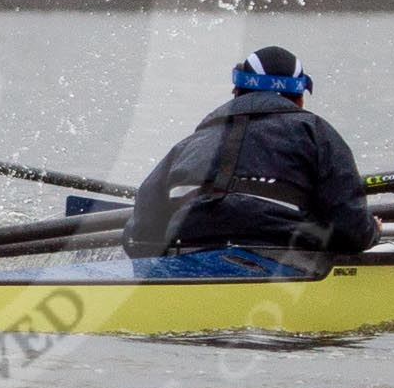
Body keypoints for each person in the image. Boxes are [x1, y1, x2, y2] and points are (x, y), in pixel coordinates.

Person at [126, 47, 377, 259]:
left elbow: (139, 238)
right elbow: (350, 232)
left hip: (189, 251)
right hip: (279, 259)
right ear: (299, 99)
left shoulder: (189, 144)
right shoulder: (316, 133)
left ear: (236, 92)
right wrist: (372, 231)